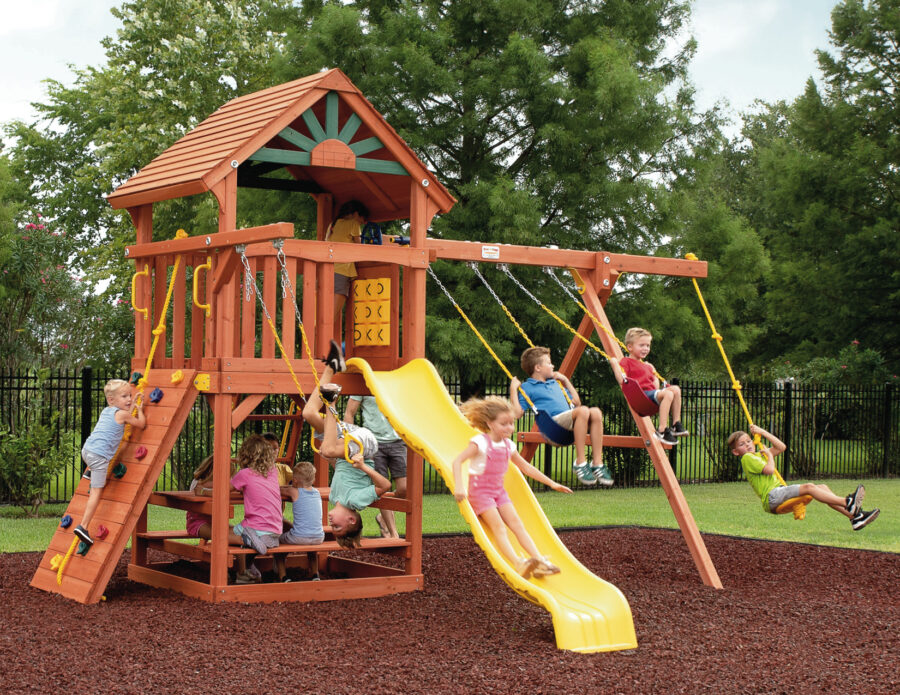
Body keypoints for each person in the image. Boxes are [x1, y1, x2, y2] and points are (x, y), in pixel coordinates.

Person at [452, 396, 573, 579]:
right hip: (481, 494)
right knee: (499, 527)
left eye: (511, 423)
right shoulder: (480, 443)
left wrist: (552, 483)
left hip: (498, 492)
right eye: (504, 424)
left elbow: (526, 467)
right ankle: (518, 563)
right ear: (490, 424)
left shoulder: (509, 445)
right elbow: (458, 461)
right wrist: (459, 487)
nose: (509, 427)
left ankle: (539, 561)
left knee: (517, 524)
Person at [302, 340, 391, 548]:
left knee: (309, 414)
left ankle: (332, 366)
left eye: (332, 527)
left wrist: (331, 459)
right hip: (364, 445)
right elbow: (385, 486)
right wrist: (363, 467)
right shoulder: (356, 502)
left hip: (347, 448)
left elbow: (343, 471)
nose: (331, 523)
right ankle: (331, 401)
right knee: (328, 448)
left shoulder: (335, 497)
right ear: (351, 519)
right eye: (337, 526)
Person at [728, 425, 879, 530]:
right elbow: (769, 470)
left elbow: (781, 447)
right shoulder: (747, 458)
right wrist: (769, 456)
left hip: (778, 493)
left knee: (822, 488)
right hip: (772, 497)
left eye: (748, 441)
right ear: (736, 452)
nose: (747, 445)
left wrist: (763, 432)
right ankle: (847, 502)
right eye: (742, 444)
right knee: (809, 487)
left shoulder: (758, 455)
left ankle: (855, 517)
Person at [511, 346, 612, 487]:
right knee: (583, 411)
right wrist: (513, 389)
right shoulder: (527, 387)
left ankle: (597, 463)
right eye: (549, 363)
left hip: (568, 424)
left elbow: (576, 402)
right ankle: (580, 462)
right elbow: (517, 413)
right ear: (538, 368)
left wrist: (565, 380)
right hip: (553, 426)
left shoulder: (555, 383)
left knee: (595, 412)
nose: (553, 366)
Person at [73, 379, 146, 546]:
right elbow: (141, 424)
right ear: (111, 400)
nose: (129, 399)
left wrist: (133, 404)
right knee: (96, 491)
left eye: (130, 395)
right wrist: (140, 409)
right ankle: (83, 526)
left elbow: (120, 421)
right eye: (124, 396)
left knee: (97, 464)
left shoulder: (107, 411)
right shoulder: (122, 414)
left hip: (87, 451)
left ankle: (90, 472)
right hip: (99, 457)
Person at [343, 395, 407, 538]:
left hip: (397, 440)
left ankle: (382, 517)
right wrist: (351, 441)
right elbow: (349, 413)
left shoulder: (394, 384)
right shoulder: (363, 387)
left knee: (405, 488)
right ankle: (393, 533)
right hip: (373, 442)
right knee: (382, 488)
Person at [612, 327, 688, 446]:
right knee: (669, 393)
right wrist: (614, 364)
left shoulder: (647, 366)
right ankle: (661, 430)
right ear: (630, 347)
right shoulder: (626, 362)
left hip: (651, 397)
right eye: (641, 345)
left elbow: (655, 387)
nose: (645, 348)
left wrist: (654, 374)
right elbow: (622, 380)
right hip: (641, 397)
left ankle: (676, 424)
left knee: (676, 389)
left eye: (647, 345)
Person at [230, 434, 284, 583]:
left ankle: (242, 573)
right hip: (275, 528)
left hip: (256, 527)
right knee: (241, 533)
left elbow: (223, 490)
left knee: (225, 535)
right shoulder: (272, 471)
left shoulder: (244, 474)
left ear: (246, 455)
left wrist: (203, 491)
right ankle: (248, 565)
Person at [275, 461, 325, 582]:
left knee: (276, 542)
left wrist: (288, 486)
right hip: (318, 537)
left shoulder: (294, 491)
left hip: (299, 537)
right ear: (313, 480)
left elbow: (278, 489)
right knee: (311, 549)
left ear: (295, 480)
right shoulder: (317, 492)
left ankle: (283, 576)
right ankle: (315, 574)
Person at [325, 199, 369, 329]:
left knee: (322, 313)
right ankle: (318, 341)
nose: (363, 223)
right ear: (356, 214)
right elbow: (360, 247)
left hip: (327, 270)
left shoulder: (332, 224)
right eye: (362, 219)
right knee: (330, 318)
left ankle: (314, 339)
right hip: (341, 270)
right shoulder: (353, 224)